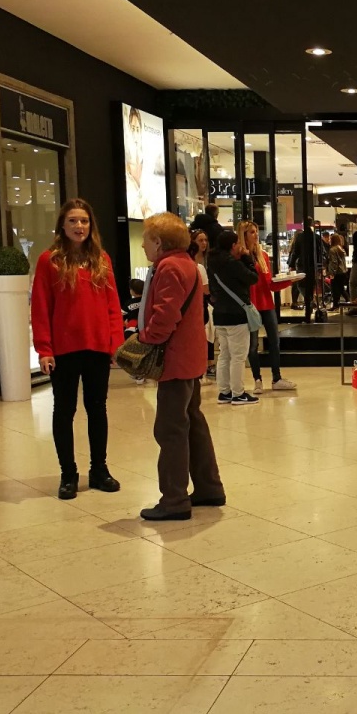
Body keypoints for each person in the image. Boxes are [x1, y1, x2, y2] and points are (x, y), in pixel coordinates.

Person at [30, 198, 125, 501]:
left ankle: (99, 469)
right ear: (62, 225)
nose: (79, 226)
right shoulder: (50, 261)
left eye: (84, 221)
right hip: (64, 350)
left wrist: (115, 344)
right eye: (73, 220)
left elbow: (113, 306)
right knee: (64, 410)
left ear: (90, 225)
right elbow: (41, 308)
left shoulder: (102, 260)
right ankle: (68, 473)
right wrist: (44, 349)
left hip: (97, 347)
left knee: (97, 409)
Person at [137, 213, 225, 521]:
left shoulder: (169, 267)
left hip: (174, 360)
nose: (143, 245)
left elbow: (165, 315)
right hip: (191, 357)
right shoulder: (188, 264)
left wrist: (145, 338)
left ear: (158, 242)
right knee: (193, 422)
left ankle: (173, 498)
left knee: (170, 429)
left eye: (146, 239)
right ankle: (208, 486)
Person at [237, 220, 296, 393]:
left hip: (266, 303)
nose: (255, 235)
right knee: (252, 344)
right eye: (251, 232)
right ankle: (257, 379)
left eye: (256, 231)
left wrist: (288, 281)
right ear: (244, 235)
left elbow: (269, 284)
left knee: (274, 341)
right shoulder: (240, 256)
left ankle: (276, 377)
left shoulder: (262, 255)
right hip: (250, 304)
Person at [208, 229, 260, 405]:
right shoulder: (232, 263)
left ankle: (224, 392)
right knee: (238, 356)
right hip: (236, 314)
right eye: (238, 242)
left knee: (224, 354)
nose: (240, 246)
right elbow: (253, 278)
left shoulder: (212, 261)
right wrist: (247, 258)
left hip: (220, 313)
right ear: (232, 245)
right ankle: (238, 393)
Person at [190, 230, 215, 379]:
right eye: (200, 240)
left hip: (208, 302)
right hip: (201, 301)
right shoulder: (194, 264)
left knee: (209, 332)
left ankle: (209, 363)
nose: (204, 243)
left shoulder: (209, 260)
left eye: (205, 240)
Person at [287, 225, 318, 321]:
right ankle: (309, 301)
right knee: (310, 284)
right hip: (313, 265)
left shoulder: (300, 237)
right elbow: (321, 251)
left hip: (302, 265)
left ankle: (308, 301)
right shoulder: (316, 237)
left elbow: (295, 252)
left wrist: (291, 264)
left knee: (300, 284)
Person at [327, 233, 350, 307]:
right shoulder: (341, 249)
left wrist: (332, 273)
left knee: (335, 289)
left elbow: (334, 262)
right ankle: (344, 303)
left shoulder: (332, 250)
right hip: (343, 271)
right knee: (341, 289)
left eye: (331, 239)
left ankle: (337, 304)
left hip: (337, 272)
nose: (329, 240)